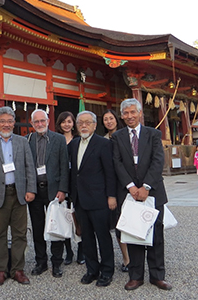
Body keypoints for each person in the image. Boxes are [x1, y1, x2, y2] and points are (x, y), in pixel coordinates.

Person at [111, 98, 172, 291]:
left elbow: (157, 160)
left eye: (133, 112)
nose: (129, 116)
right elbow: (117, 162)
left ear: (140, 113)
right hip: (128, 192)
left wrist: (146, 186)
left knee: (156, 233)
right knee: (133, 232)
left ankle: (157, 275)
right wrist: (130, 186)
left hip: (152, 191)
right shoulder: (118, 137)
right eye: (126, 113)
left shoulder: (153, 134)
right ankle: (135, 276)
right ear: (122, 116)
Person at [0, 106, 37, 286]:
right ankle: (0, 270)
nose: (6, 125)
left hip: (19, 193)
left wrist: (31, 189)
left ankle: (18, 269)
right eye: (2, 121)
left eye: (10, 121)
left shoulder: (22, 142)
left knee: (20, 234)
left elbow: (30, 167)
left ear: (14, 123)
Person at [68, 111, 116, 287]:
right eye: (80, 123)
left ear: (95, 125)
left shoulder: (103, 144)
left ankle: (107, 271)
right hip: (80, 199)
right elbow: (74, 172)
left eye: (88, 122)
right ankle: (92, 270)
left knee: (103, 236)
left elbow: (110, 172)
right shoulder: (73, 144)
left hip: (99, 199)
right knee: (86, 237)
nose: (84, 126)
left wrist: (111, 196)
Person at [27, 109, 69, 278]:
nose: (39, 124)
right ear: (31, 124)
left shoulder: (58, 139)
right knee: (37, 228)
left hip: (54, 190)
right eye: (36, 122)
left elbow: (64, 166)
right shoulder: (27, 140)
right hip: (35, 190)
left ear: (48, 120)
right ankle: (41, 261)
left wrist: (63, 189)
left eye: (42, 121)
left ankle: (57, 262)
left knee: (55, 227)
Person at [101, 109, 130, 273]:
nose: (109, 121)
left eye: (111, 118)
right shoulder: (103, 140)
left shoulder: (125, 136)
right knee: (118, 223)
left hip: (125, 184)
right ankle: (126, 258)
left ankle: (136, 256)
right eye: (105, 119)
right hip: (110, 185)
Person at [54, 111, 84, 266]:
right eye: (63, 122)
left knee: (78, 218)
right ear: (59, 124)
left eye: (69, 121)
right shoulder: (56, 140)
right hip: (61, 184)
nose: (66, 124)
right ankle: (68, 252)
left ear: (74, 124)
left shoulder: (79, 140)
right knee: (64, 218)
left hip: (77, 185)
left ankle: (81, 249)